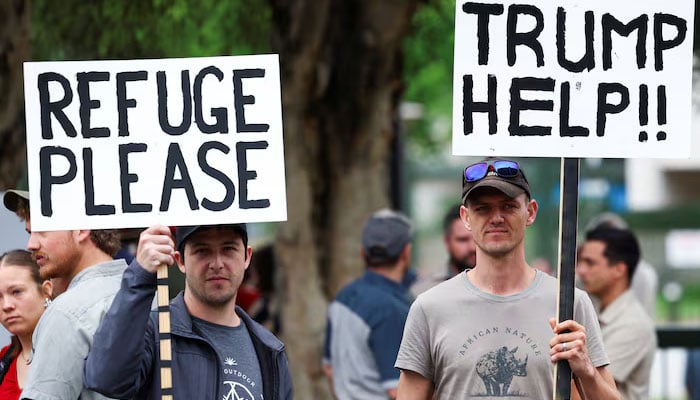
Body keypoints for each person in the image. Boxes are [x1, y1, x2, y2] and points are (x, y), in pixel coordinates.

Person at [395, 159, 619, 399]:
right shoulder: (430, 308)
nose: (497, 217)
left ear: (530, 212)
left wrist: (586, 371)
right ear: (466, 217)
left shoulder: (568, 304)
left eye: (509, 206)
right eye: (482, 208)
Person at [84, 223, 292, 399]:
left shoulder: (270, 350)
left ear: (247, 257)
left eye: (228, 249)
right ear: (180, 260)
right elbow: (105, 378)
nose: (217, 264)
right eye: (202, 251)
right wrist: (140, 276)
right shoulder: (153, 333)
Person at [3, 189, 126, 400]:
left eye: (43, 230)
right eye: (29, 233)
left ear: (81, 229)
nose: (31, 245)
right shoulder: (147, 295)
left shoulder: (66, 313)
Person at [323, 209, 412, 400]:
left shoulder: (343, 297)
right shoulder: (391, 309)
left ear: (363, 252)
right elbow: (398, 390)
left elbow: (329, 368)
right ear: (406, 252)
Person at [577, 226, 656, 400]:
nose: (580, 270)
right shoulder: (599, 312)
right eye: (580, 262)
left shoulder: (632, 325)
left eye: (590, 263)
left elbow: (588, 388)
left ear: (619, 269)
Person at [0, 250, 53, 400]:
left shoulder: (71, 352)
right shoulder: (4, 358)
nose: (6, 305)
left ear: (46, 291)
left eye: (16, 292)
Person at [585, 212, 658, 318]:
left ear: (619, 269)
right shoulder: (582, 277)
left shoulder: (645, 274)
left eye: (590, 263)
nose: (583, 270)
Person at [410, 204, 477, 296]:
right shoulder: (425, 291)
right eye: (462, 240)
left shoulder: (501, 286)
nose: (472, 247)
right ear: (447, 241)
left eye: (477, 238)